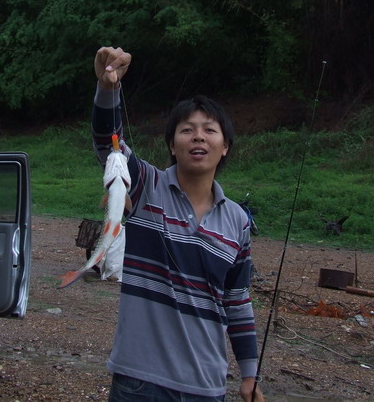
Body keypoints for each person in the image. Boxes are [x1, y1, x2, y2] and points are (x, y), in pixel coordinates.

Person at [92, 46, 265, 402]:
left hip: (207, 385)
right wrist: (108, 88)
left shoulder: (237, 221)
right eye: (187, 130)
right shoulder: (145, 186)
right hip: (138, 382)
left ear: (226, 146)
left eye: (209, 130)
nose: (198, 136)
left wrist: (249, 375)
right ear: (172, 144)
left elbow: (237, 301)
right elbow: (108, 144)